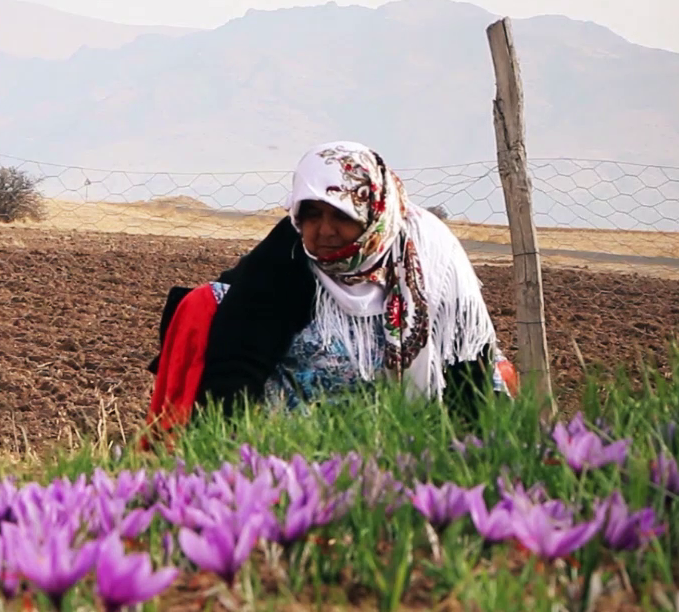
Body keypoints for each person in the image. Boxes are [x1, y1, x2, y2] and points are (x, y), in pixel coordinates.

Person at [144, 140, 517, 446]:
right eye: (312, 215)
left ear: (373, 212)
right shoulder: (288, 253)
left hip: (414, 430)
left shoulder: (432, 256)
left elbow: (466, 362)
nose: (324, 231)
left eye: (342, 215)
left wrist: (468, 452)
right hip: (302, 436)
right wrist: (226, 454)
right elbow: (238, 361)